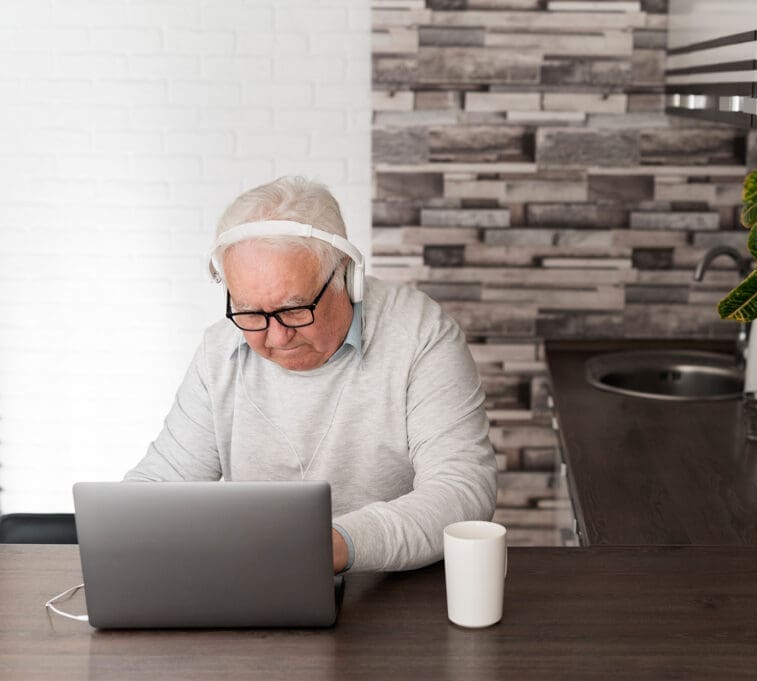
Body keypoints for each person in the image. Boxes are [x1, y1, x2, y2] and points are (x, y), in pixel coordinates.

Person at [125, 176, 498, 573]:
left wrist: (333, 546)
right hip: (259, 582)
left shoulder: (420, 333)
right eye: (250, 312)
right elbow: (160, 485)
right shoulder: (219, 350)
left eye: (294, 309)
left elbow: (462, 490)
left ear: (347, 278)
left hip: (393, 590)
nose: (277, 337)